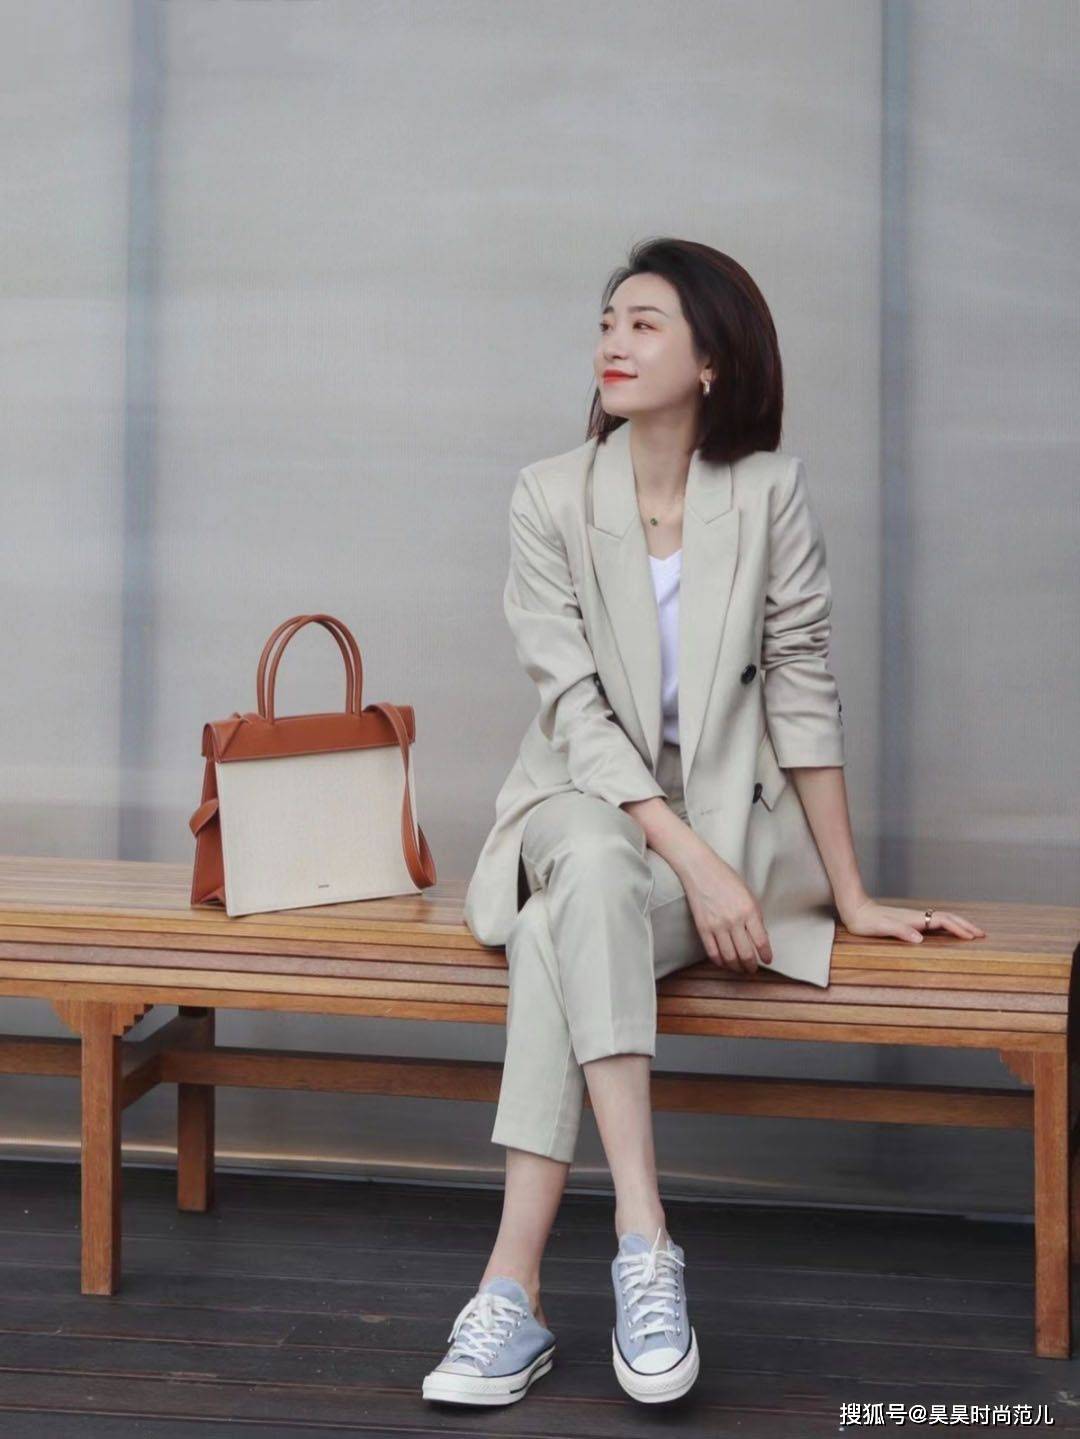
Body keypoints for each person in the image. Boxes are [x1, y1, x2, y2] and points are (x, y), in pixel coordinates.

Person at [422, 237, 986, 1409]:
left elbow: (803, 691)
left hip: (719, 830)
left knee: (560, 930)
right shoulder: (548, 493)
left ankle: (510, 1293)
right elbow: (573, 707)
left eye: (645, 323)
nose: (614, 342)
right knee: (588, 853)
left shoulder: (768, 493)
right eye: (607, 321)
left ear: (713, 359)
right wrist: (697, 864)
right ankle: (645, 1236)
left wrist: (851, 893)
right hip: (580, 803)